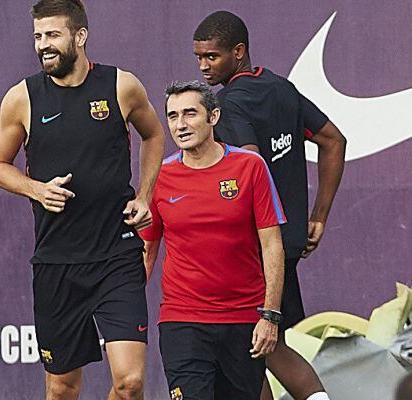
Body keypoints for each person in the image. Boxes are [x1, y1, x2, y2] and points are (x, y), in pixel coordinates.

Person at [0, 1, 165, 398]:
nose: (43, 45)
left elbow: (154, 135)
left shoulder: (121, 86)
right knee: (63, 388)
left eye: (53, 35)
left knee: (130, 382)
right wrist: (37, 189)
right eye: (38, 36)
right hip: (57, 261)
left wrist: (145, 195)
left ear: (80, 36)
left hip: (116, 254)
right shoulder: (22, 97)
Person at [192, 11, 347, 400]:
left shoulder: (227, 103)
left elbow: (249, 169)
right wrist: (318, 217)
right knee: (254, 350)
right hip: (286, 238)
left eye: (211, 56)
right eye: (199, 57)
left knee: (261, 345)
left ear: (238, 51)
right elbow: (334, 141)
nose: (203, 66)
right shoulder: (282, 88)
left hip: (255, 246)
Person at [141, 80, 285, 400]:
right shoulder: (160, 175)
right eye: (173, 116)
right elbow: (146, 249)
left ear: (214, 116)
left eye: (190, 113)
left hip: (244, 320)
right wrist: (125, 311)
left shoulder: (250, 167)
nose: (180, 124)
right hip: (183, 320)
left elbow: (272, 244)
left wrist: (270, 315)